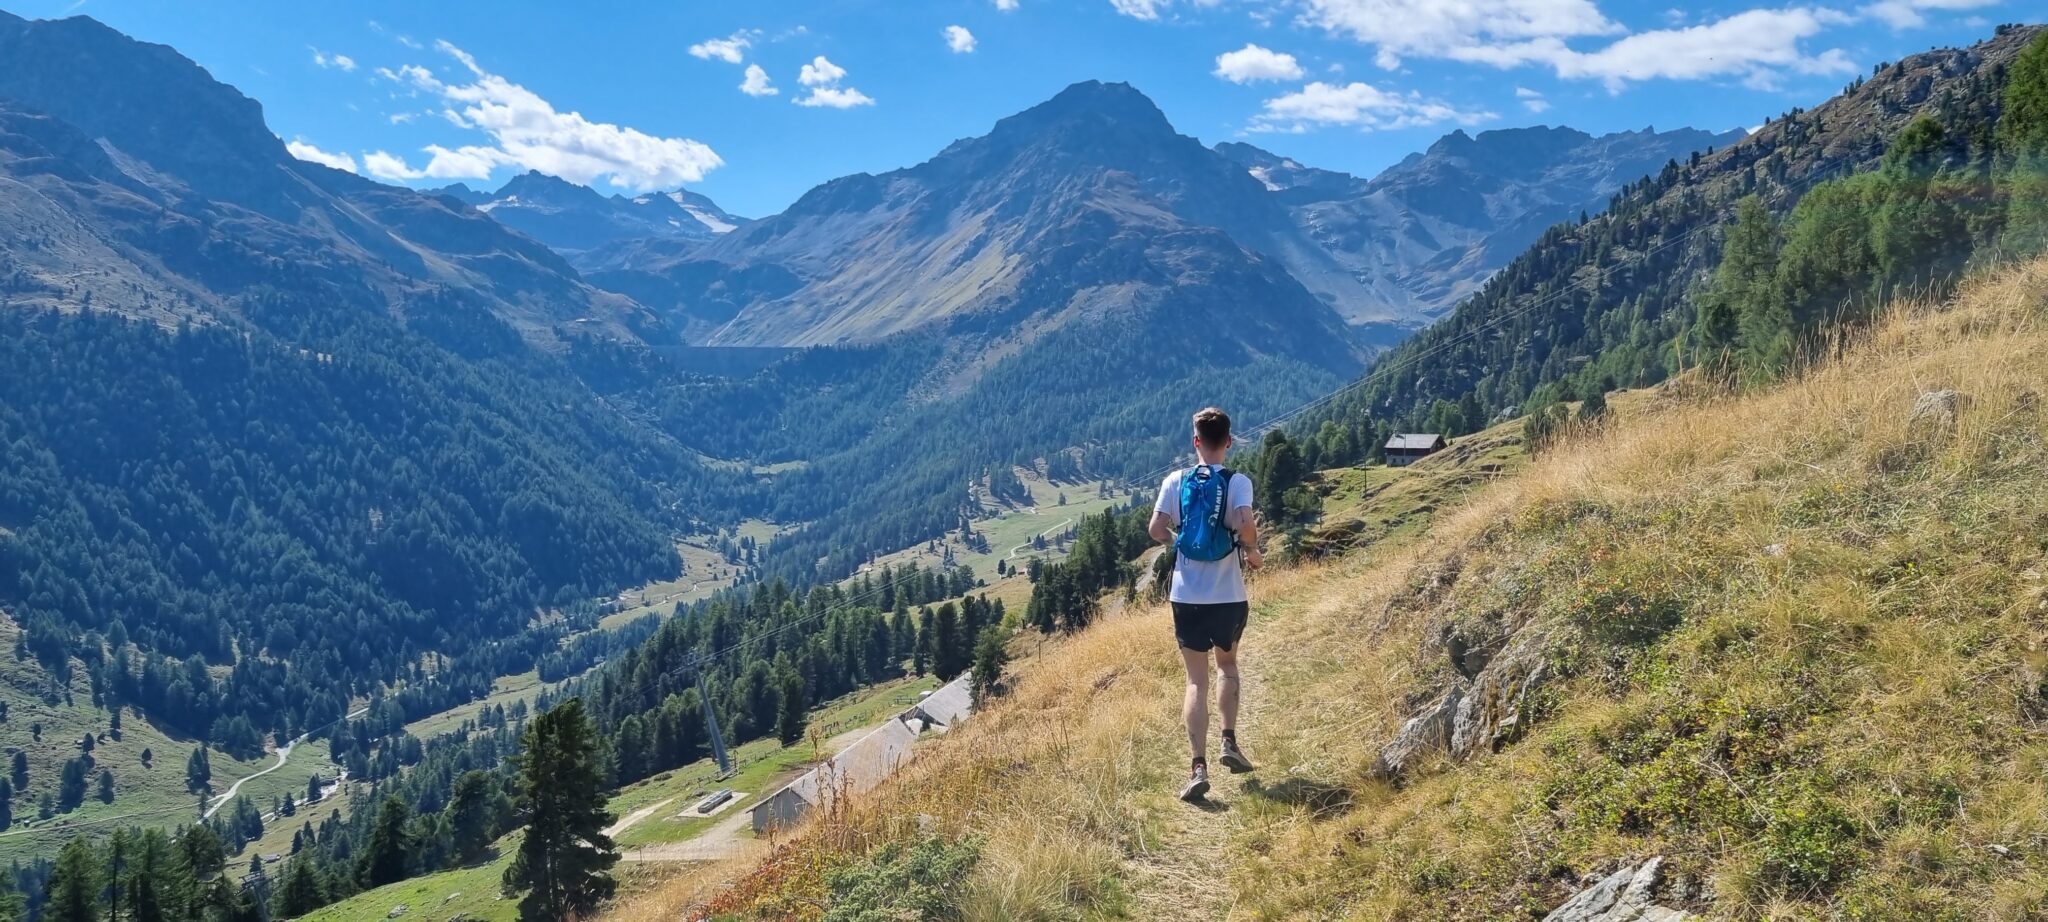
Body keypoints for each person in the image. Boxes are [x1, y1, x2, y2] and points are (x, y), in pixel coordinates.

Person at [1149, 406, 1261, 802]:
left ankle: (1197, 767)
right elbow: (1246, 523)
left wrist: (1179, 543)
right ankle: (1229, 742)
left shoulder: (1175, 481)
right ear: (1228, 441)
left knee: (1195, 679)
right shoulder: (1238, 482)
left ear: (1196, 441)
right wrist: (1251, 549)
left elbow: (1155, 529)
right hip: (1228, 594)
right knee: (1227, 665)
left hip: (1186, 596)